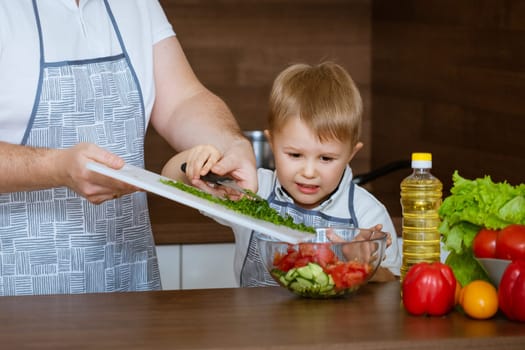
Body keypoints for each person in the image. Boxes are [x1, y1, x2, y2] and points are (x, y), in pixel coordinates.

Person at [0, 0, 257, 296]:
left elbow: (183, 101)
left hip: (128, 286)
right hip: (14, 296)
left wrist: (231, 145)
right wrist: (55, 168)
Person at [162, 61, 402, 286]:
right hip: (255, 328)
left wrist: (365, 266)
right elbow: (170, 180)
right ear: (272, 143)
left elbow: (392, 287)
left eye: (326, 158)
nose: (309, 172)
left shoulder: (367, 214)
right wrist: (193, 163)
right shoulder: (253, 191)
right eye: (295, 155)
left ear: (351, 154)